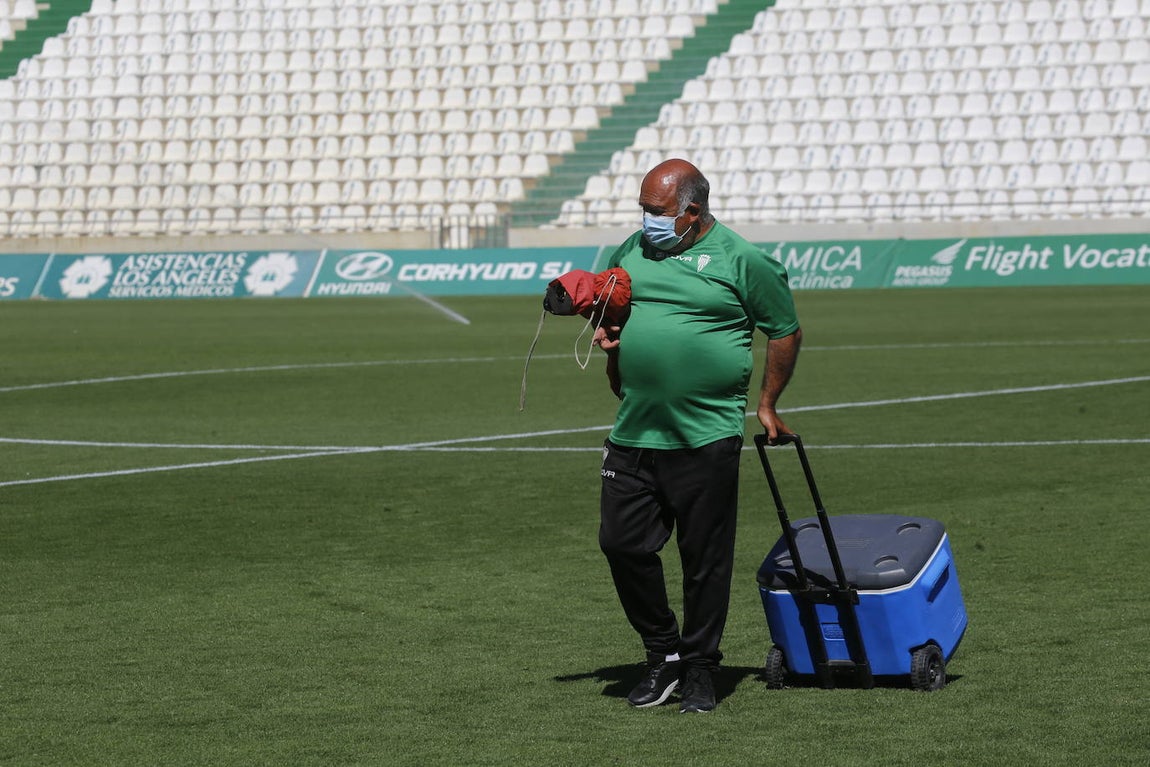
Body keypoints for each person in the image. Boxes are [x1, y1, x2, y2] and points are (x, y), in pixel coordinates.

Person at [593, 158, 802, 713]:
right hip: (634, 429)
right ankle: (663, 653)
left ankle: (701, 668)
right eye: (642, 208)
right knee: (620, 544)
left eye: (656, 210)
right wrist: (610, 343)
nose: (646, 220)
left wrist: (767, 403)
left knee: (703, 559)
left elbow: (784, 329)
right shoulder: (630, 251)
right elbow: (615, 319)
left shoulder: (742, 258)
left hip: (706, 434)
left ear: (692, 212)